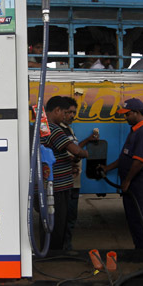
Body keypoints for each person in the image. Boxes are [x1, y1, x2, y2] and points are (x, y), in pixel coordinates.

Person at [100, 98, 143, 249]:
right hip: (132, 184)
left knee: (140, 220)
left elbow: (139, 161)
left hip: (139, 184)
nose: (125, 118)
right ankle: (140, 249)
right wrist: (107, 168)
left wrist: (127, 181)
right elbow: (125, 158)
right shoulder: (135, 131)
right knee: (133, 219)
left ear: (137, 113)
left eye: (127, 114)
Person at [41, 96, 89, 250]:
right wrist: (85, 153)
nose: (65, 116)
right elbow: (75, 150)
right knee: (58, 223)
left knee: (48, 222)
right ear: (57, 110)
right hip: (58, 186)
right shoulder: (54, 128)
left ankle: (48, 250)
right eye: (65, 113)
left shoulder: (41, 126)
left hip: (49, 183)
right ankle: (55, 255)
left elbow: (53, 153)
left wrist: (69, 163)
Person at [60, 96, 99, 250]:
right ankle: (65, 248)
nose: (72, 115)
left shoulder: (68, 128)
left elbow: (73, 146)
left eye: (73, 112)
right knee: (67, 218)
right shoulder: (59, 130)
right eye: (68, 112)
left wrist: (87, 140)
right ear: (60, 112)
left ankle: (65, 246)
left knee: (71, 217)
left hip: (74, 182)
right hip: (67, 182)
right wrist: (79, 156)